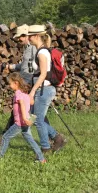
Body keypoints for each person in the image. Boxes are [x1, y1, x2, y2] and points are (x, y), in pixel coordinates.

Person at [0, 24, 52, 147]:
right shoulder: (28, 48)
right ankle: (53, 138)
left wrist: (32, 87)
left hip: (28, 85)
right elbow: (24, 65)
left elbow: (36, 68)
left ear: (26, 36)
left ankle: (53, 138)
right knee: (29, 113)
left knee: (33, 114)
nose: (19, 40)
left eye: (20, 37)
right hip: (26, 84)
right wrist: (10, 66)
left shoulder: (34, 48)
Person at [0, 72, 46, 163]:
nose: (9, 86)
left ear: (16, 83)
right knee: (31, 140)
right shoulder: (25, 93)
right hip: (25, 122)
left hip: (20, 122)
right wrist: (30, 97)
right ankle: (41, 159)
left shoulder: (18, 93)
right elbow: (32, 103)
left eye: (10, 83)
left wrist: (24, 118)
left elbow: (22, 105)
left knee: (5, 137)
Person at [27, 24, 67, 154]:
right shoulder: (42, 51)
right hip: (43, 89)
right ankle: (57, 138)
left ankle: (45, 148)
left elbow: (43, 73)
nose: (28, 38)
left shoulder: (42, 52)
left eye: (30, 35)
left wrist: (32, 91)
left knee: (38, 121)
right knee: (35, 119)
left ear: (37, 36)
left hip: (43, 90)